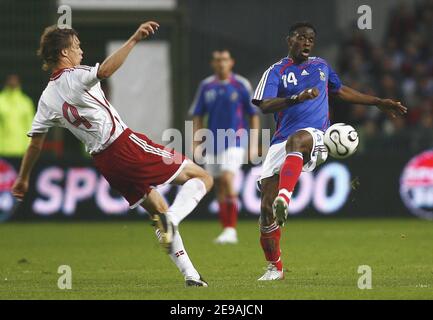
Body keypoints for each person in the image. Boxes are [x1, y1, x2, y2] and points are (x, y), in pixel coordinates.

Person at [11, 21, 213, 287]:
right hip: (124, 145)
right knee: (202, 177)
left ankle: (191, 275)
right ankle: (173, 219)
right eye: (76, 46)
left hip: (106, 164)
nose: (81, 51)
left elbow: (35, 143)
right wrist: (134, 39)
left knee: (157, 210)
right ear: (63, 54)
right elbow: (105, 71)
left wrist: (23, 178)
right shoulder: (75, 75)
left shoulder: (47, 98)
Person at [252, 22, 407, 281]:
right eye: (301, 37)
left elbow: (341, 90)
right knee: (266, 209)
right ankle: (274, 267)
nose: (307, 42)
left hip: (315, 135)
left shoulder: (321, 66)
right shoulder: (276, 71)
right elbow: (265, 105)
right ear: (288, 40)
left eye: (311, 38)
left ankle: (285, 197)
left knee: (298, 141)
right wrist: (296, 98)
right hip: (279, 142)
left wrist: (378, 102)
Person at [190, 49, 260, 244]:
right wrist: (197, 143)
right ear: (213, 64)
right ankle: (226, 230)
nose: (221, 63)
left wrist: (253, 144)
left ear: (232, 62)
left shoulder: (241, 85)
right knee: (219, 184)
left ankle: (232, 229)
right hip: (213, 142)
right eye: (218, 60)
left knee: (228, 178)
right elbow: (197, 115)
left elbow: (253, 114)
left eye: (225, 60)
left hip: (236, 140)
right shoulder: (206, 86)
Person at [0, 74, 35, 156]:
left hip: (21, 151)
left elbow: (31, 127)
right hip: (2, 151)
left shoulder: (26, 102)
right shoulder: (1, 100)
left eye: (15, 79)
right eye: (11, 79)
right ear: (6, 81)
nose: (13, 82)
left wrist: (28, 148)